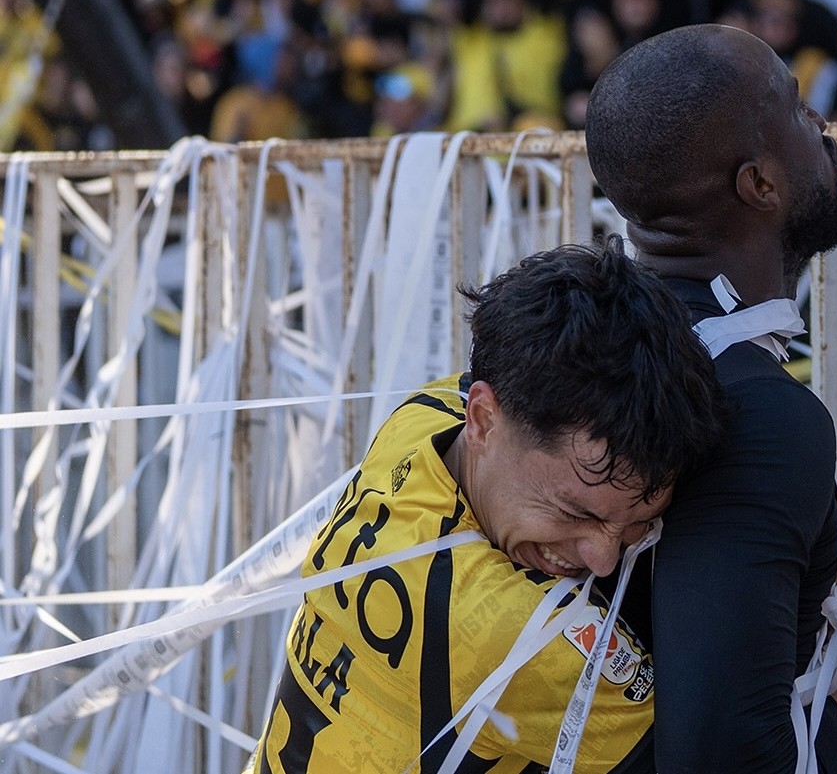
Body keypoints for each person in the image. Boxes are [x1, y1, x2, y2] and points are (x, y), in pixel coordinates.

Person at [245, 236, 724, 773]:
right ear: (483, 420)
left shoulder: (425, 418)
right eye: (575, 513)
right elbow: (731, 749)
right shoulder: (512, 635)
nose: (604, 559)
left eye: (641, 525)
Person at [586, 24, 837, 772]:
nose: (821, 125)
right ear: (759, 184)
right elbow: (722, 752)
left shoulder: (578, 340)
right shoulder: (758, 413)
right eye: (798, 109)